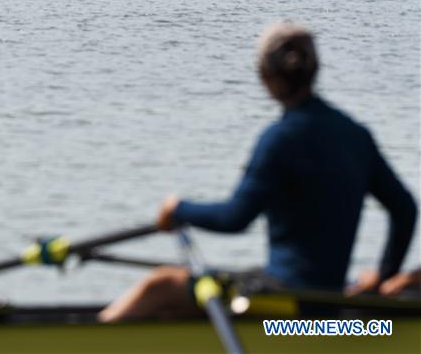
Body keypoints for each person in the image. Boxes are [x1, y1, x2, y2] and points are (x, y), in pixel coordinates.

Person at [98, 22, 417, 322]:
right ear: (315, 71)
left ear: (265, 76)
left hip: (290, 306)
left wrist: (178, 208)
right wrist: (384, 278)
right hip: (330, 300)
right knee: (182, 301)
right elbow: (404, 208)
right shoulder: (356, 135)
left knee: (161, 285)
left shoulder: (280, 139)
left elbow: (235, 218)